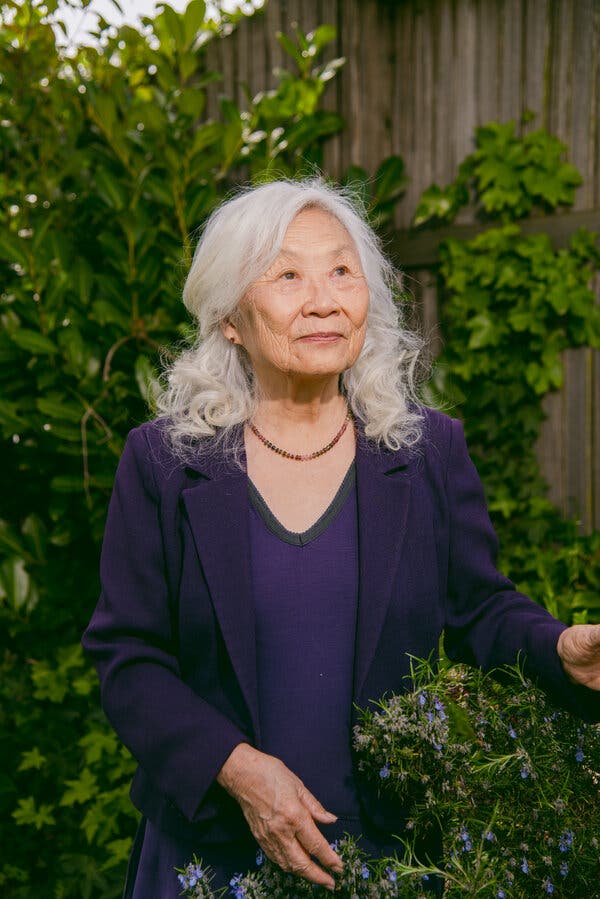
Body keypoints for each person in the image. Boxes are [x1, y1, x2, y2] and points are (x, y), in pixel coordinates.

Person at [81, 178, 600, 898]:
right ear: (232, 315)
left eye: (341, 271)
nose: (322, 298)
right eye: (288, 274)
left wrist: (557, 648)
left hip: (385, 853)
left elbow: (480, 608)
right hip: (209, 855)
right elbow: (127, 658)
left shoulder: (425, 451)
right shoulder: (166, 462)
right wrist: (234, 766)